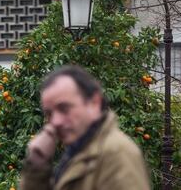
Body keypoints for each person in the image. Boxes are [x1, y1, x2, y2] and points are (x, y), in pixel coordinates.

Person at [20, 65, 150, 190]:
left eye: (64, 108)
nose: (55, 121)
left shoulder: (116, 153)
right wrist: (37, 164)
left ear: (94, 102)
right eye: (49, 113)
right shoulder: (79, 150)